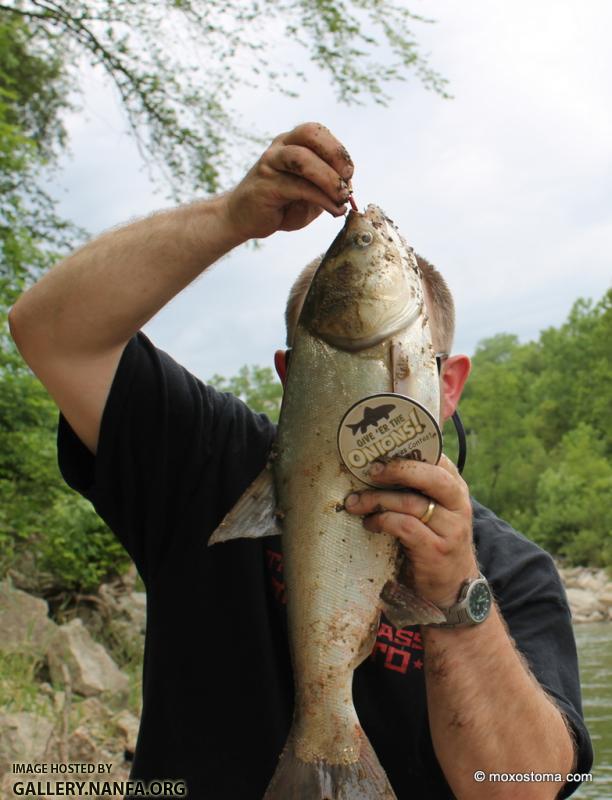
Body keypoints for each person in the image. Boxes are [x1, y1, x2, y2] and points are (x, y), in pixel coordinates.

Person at [9, 123, 592, 799]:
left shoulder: (512, 574)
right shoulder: (209, 463)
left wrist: (457, 597)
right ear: (293, 376)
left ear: (448, 383)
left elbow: (522, 789)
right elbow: (48, 330)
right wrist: (232, 217)